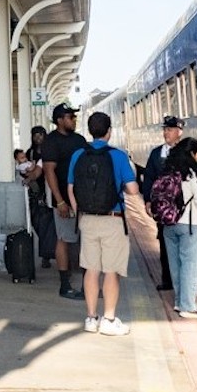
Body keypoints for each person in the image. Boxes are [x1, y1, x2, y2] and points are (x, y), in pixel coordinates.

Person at [68, 111, 142, 336]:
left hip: (87, 219)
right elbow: (132, 189)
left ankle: (91, 318)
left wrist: (78, 212)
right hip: (113, 219)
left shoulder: (78, 154)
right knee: (111, 271)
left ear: (90, 131)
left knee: (91, 269)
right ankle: (109, 319)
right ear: (109, 132)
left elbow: (71, 188)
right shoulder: (118, 156)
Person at [39, 104, 88, 299]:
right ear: (59, 120)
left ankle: (87, 284)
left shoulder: (80, 140)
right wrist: (60, 201)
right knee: (64, 239)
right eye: (70, 117)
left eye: (74, 117)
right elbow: (49, 171)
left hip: (83, 199)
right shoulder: (51, 141)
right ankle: (65, 284)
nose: (73, 120)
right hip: (63, 200)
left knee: (87, 240)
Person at [162, 137, 197, 319]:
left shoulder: (168, 170)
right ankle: (188, 306)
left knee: (175, 264)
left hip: (168, 223)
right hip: (189, 224)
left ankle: (179, 301)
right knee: (191, 264)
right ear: (191, 154)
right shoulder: (193, 174)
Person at [141, 115, 183, 291]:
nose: (166, 132)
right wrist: (148, 200)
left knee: (187, 247)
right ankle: (168, 280)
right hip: (164, 208)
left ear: (179, 132)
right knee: (165, 244)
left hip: (183, 206)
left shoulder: (185, 152)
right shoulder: (157, 153)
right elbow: (148, 177)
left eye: (170, 129)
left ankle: (192, 283)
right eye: (165, 129)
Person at [25, 125, 54, 269]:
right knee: (37, 223)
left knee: (46, 225)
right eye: (35, 135)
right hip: (35, 192)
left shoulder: (49, 151)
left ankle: (46, 255)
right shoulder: (30, 153)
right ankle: (47, 252)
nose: (38, 138)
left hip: (48, 191)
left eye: (40, 134)